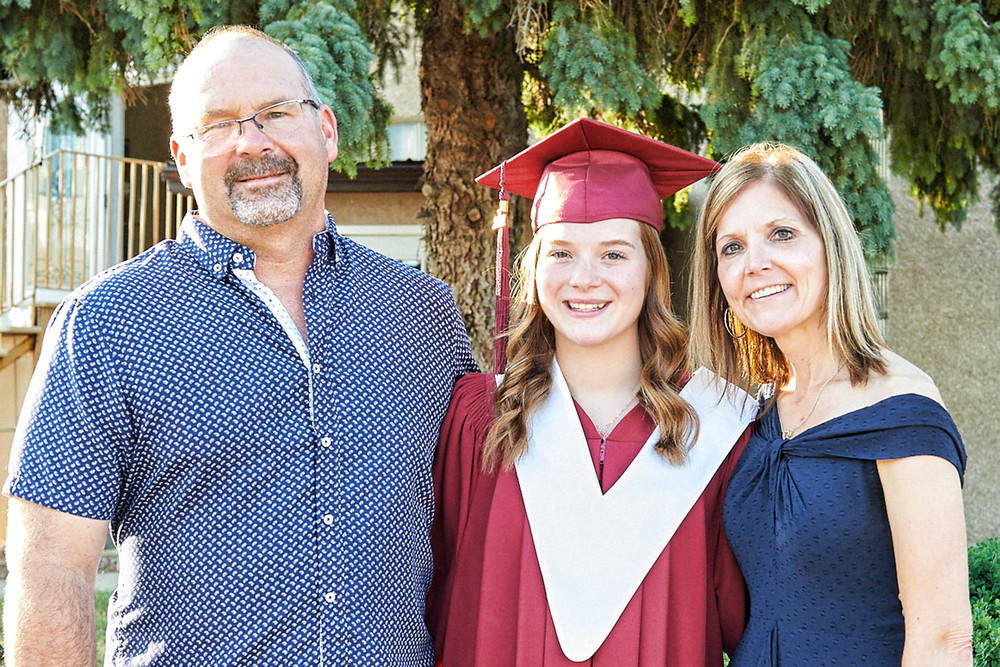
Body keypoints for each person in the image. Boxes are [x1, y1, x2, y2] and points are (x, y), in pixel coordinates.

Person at [3, 25, 476, 665]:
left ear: (327, 130)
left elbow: (478, 522)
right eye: (218, 124)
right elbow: (51, 567)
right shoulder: (107, 323)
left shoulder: (420, 312)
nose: (251, 141)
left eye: (276, 112)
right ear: (181, 157)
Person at [426, 117, 758, 666]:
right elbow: (434, 595)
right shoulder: (481, 418)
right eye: (560, 252)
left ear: (652, 272)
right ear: (533, 270)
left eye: (613, 254)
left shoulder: (716, 428)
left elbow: (752, 622)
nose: (584, 278)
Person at [688, 142, 973, 665]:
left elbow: (943, 639)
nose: (755, 264)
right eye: (732, 247)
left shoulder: (901, 410)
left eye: (782, 234)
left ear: (831, 246)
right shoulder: (758, 414)